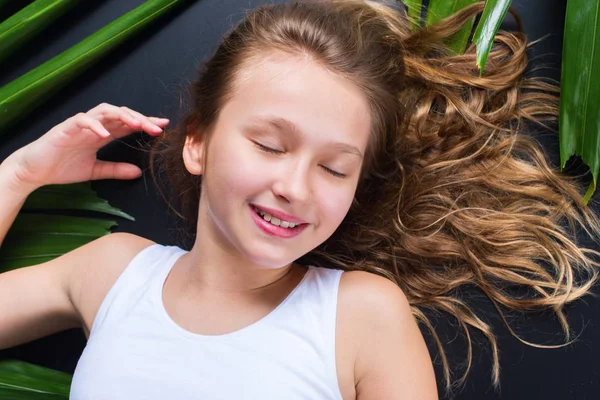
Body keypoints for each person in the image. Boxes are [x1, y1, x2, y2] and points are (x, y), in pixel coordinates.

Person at [0, 0, 598, 398]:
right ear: (198, 144)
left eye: (334, 168)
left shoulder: (361, 316)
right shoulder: (113, 271)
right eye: (268, 144)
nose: (296, 187)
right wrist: (19, 173)